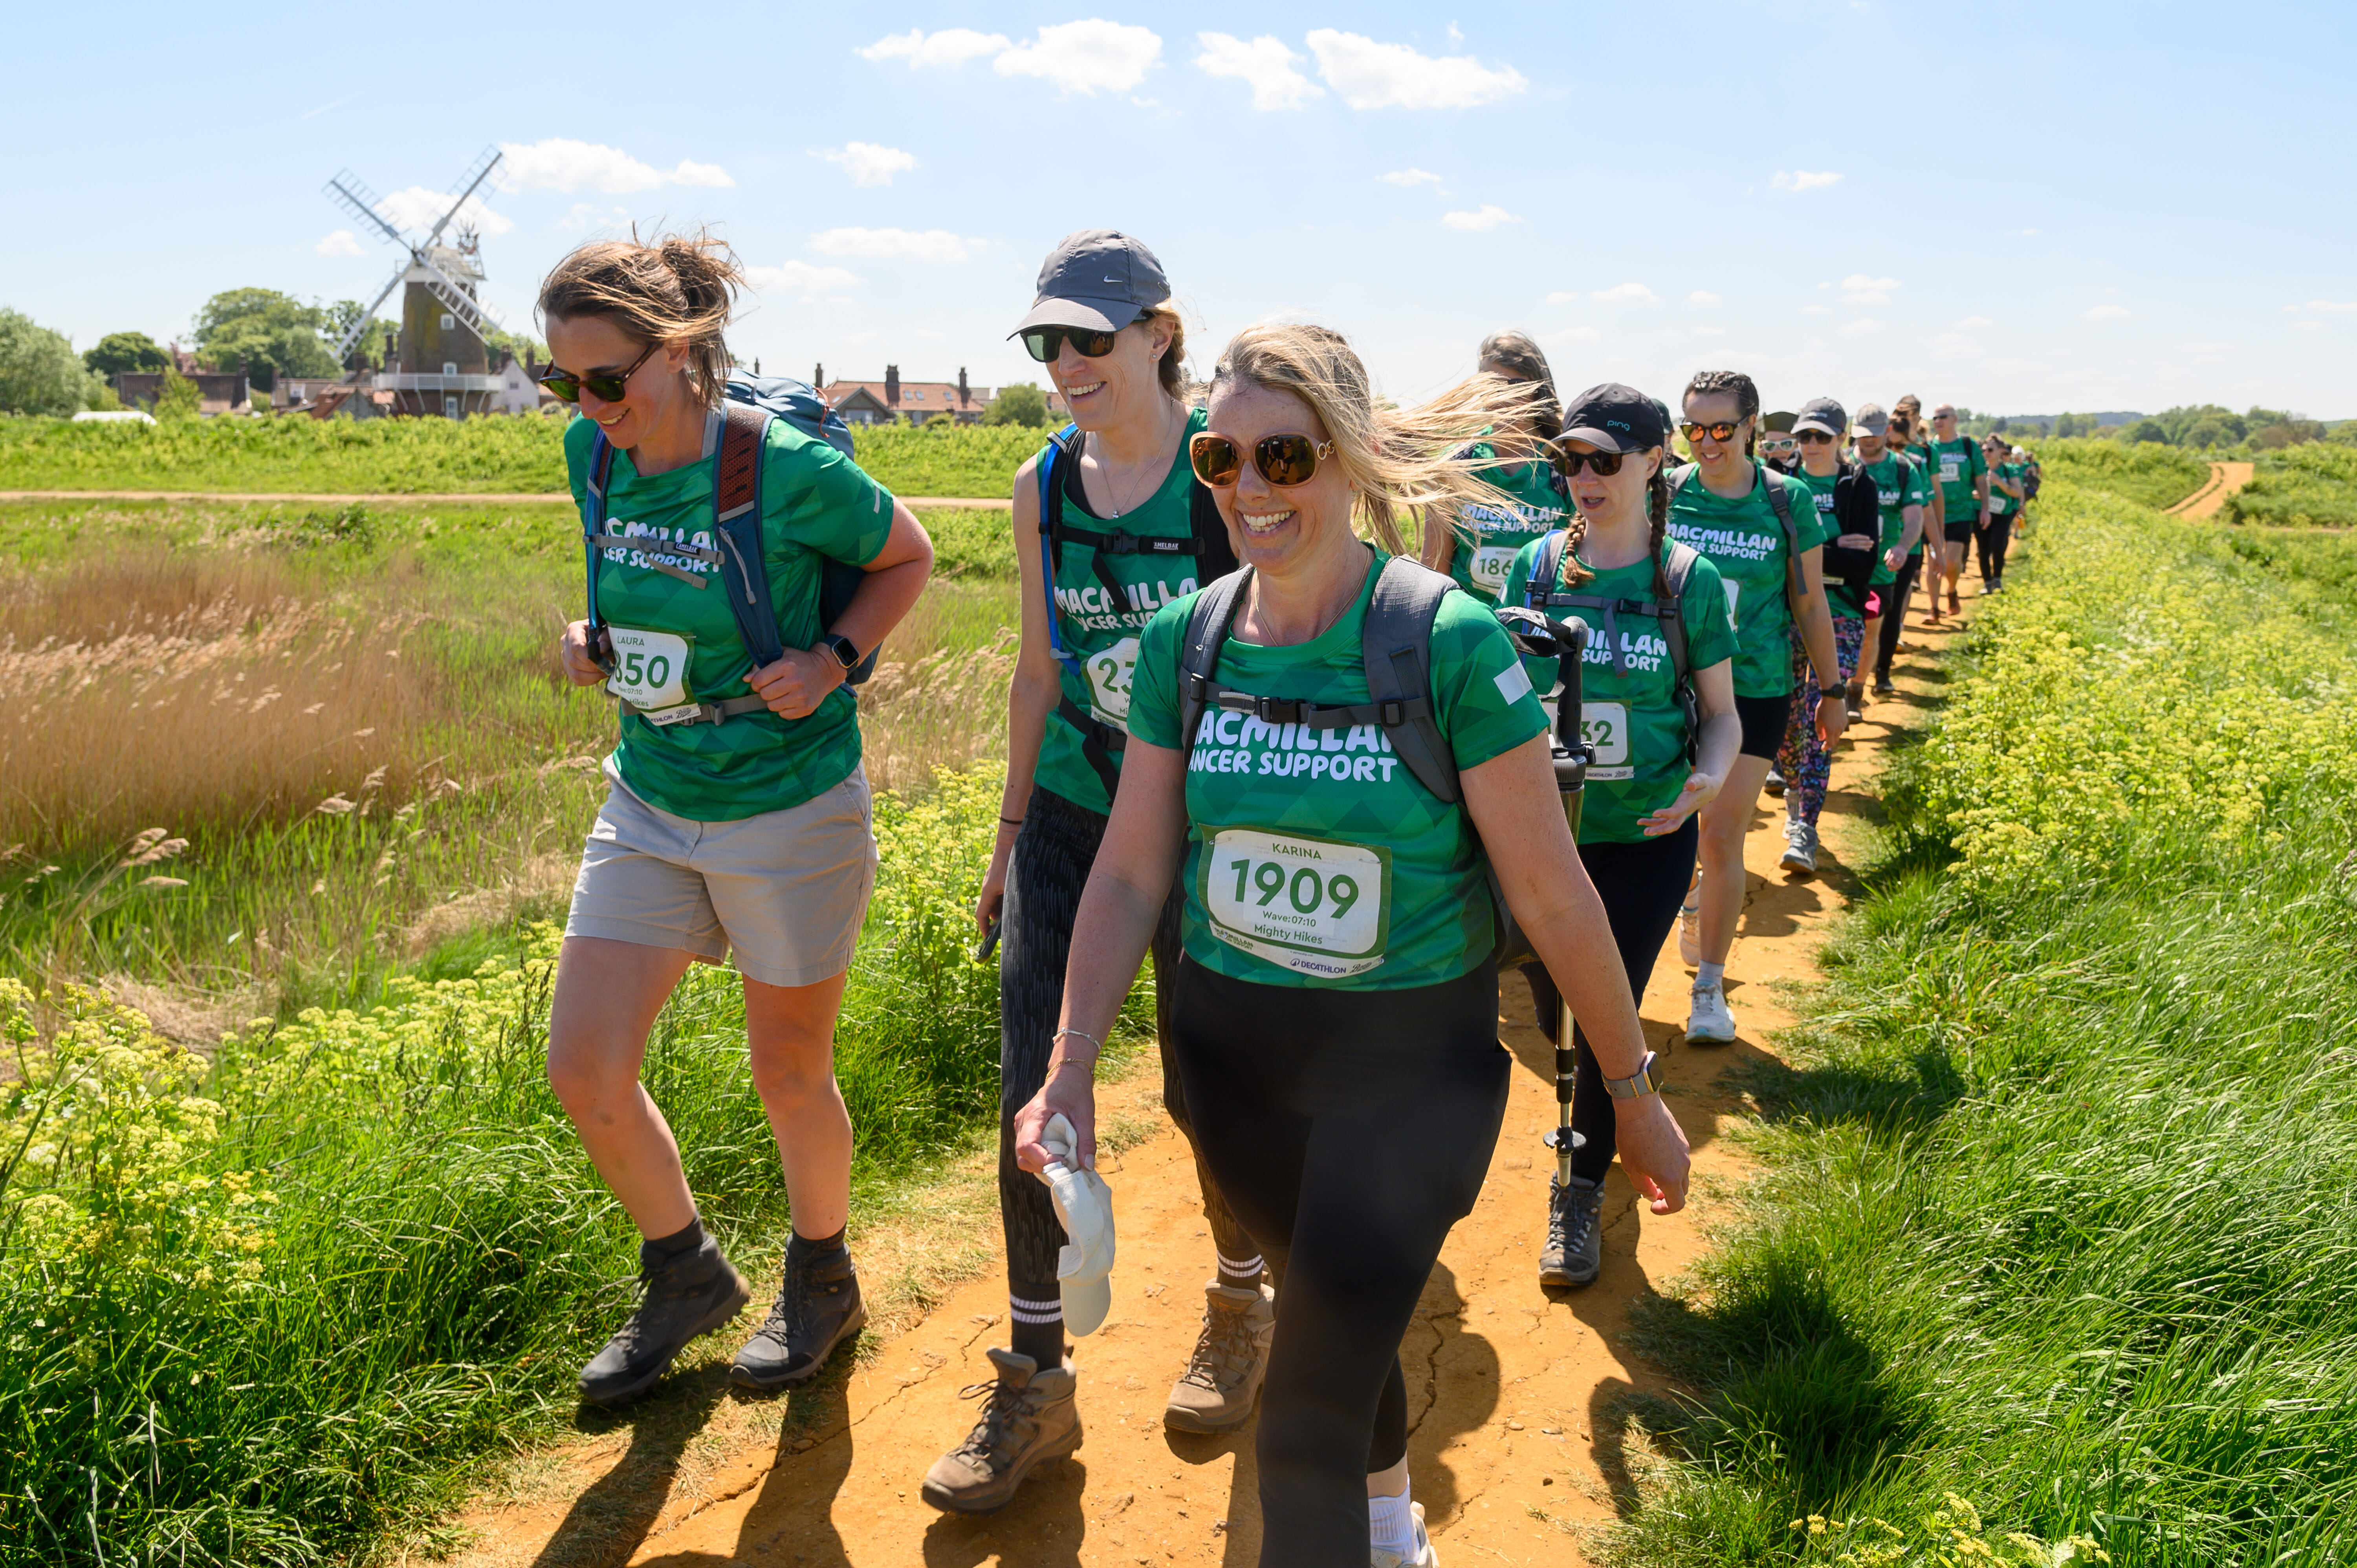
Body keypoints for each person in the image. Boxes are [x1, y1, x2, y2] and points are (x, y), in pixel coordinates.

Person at [1015, 324, 1691, 1567]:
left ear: (1351, 457)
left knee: (1301, 1415)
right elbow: (1126, 867)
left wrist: (1632, 1091)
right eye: (1223, 459)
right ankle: (1391, 1530)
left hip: (1405, 1076)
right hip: (1229, 1070)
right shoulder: (1189, 640)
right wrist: (1067, 1064)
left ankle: (1356, 1521)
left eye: (1286, 455)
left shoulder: (1446, 640)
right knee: (1337, 1319)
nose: (1251, 490)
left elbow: (1552, 895)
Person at [539, 233, 936, 1407]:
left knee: (786, 1068)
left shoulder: (783, 465)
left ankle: (821, 1276)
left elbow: (905, 555)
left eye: (606, 379)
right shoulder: (590, 455)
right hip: (651, 795)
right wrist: (589, 641)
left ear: (680, 353)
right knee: (585, 1066)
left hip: (788, 806)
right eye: (560, 380)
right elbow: (634, 591)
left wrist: (833, 658)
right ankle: (684, 1272)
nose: (585, 404)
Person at [925, 231, 1264, 1515]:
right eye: (1046, 342)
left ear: (1161, 336)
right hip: (1072, 812)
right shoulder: (1043, 485)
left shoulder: (1218, 479)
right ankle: (1038, 1375)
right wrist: (1010, 841)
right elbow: (1039, 671)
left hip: (1200, 826)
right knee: (1035, 1096)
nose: (1066, 364)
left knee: (1199, 1088)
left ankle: (1242, 1297)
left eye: (1091, 340)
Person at [1500, 384, 1740, 1288]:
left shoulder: (1687, 581)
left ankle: (1578, 1186)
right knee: (1558, 1011)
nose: (1584, 477)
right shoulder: (1531, 569)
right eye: (1571, 459)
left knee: (1610, 1015)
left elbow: (1719, 715)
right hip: (1543, 842)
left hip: (1645, 836)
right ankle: (1604, 1130)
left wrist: (1706, 781)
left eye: (1605, 459)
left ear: (1653, 462)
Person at [1667, 371, 1847, 1045]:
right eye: (1694, 428)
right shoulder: (1667, 494)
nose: (1706, 443)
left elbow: (1809, 602)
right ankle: (1689, 896)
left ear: (1751, 426)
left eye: (1721, 428)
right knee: (1676, 826)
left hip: (1757, 687)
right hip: (1672, 690)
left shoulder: (1785, 501)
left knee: (1721, 833)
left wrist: (1833, 690)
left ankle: (1709, 988)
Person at [1772, 397, 1882, 874]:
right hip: (1780, 616)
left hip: (1838, 615)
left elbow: (1865, 563)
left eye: (1822, 437)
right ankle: (1796, 793)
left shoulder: (1858, 485)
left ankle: (1806, 827)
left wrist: (1809, 551)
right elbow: (1773, 555)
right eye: (1804, 437)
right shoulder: (1777, 484)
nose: (1812, 445)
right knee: (1783, 719)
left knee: (1820, 716)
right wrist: (1834, 548)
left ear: (1842, 440)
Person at [1419, 330, 1569, 605]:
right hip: (1471, 635)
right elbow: (1433, 573)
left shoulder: (1565, 465)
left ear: (1538, 389)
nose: (1501, 399)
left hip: (1544, 634)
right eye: (1489, 386)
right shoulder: (1454, 467)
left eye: (1514, 385)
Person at [1858, 404, 1931, 698]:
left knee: (1874, 625)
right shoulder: (1841, 466)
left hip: (1881, 571)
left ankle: (1864, 684)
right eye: (1863, 434)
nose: (1869, 440)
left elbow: (1915, 517)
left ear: (1887, 432)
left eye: (1875, 434)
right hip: (1842, 570)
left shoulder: (1903, 469)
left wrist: (1902, 547)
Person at [1926, 403, 1989, 619]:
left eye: (1943, 417)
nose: (1938, 421)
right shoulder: (1929, 448)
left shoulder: (1967, 446)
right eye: (1935, 418)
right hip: (1933, 514)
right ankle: (1934, 609)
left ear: (1955, 419)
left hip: (1961, 513)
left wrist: (1986, 509)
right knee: (1933, 560)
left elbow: (1981, 479)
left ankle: (1951, 590)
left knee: (1952, 562)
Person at [1981, 440, 2027, 590]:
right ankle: (1988, 584)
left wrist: (1998, 481)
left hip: (2004, 513)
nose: (1986, 453)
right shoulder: (1979, 469)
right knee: (1983, 549)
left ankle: (1998, 580)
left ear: (2000, 452)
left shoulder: (2010, 469)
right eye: (1984, 450)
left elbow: (2016, 491)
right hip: (1982, 513)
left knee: (1997, 545)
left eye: (1990, 450)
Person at [1758, 409, 1800, 474]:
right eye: (1770, 445)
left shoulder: (1810, 480)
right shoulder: (1758, 478)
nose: (1778, 451)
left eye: (1786, 444)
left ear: (1799, 444)